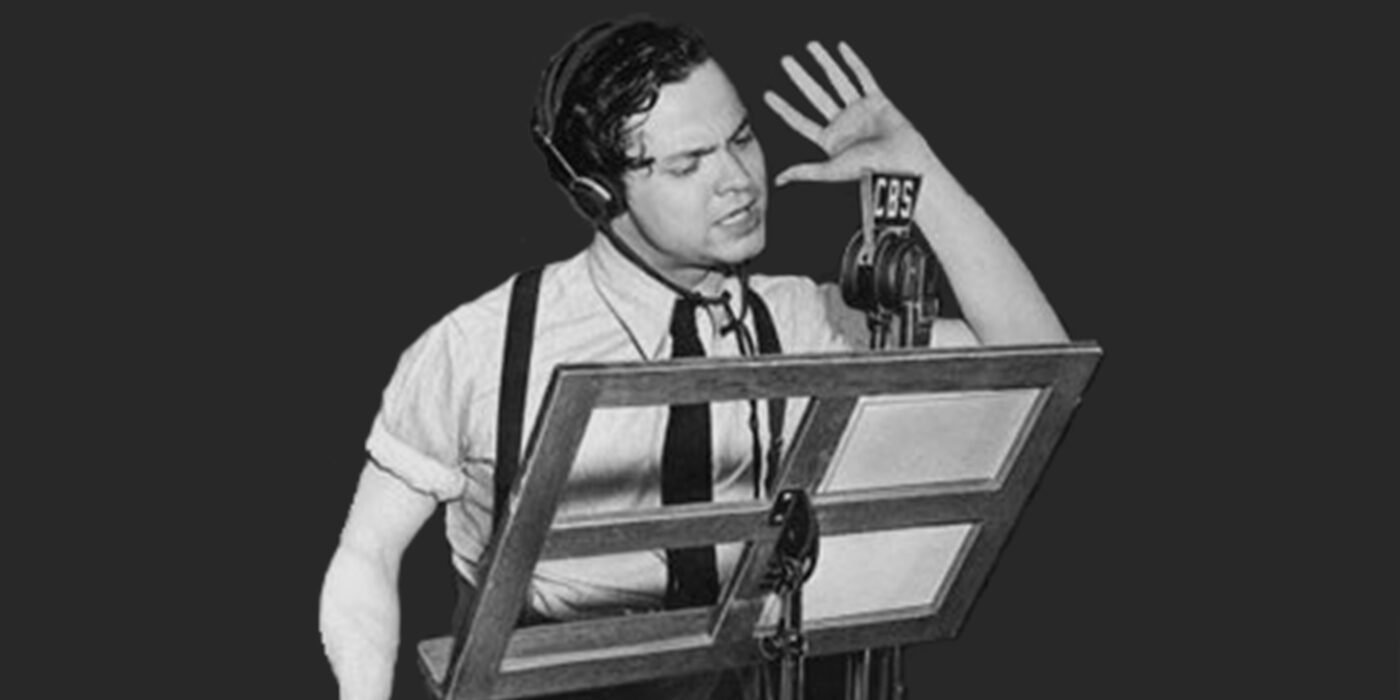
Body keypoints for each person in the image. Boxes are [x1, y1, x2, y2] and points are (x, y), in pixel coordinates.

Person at [319, 14, 1067, 700]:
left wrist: (919, 174)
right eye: (689, 165)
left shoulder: (801, 319)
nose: (737, 182)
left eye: (741, 140)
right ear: (597, 194)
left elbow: (1037, 362)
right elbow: (366, 555)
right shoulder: (481, 347)